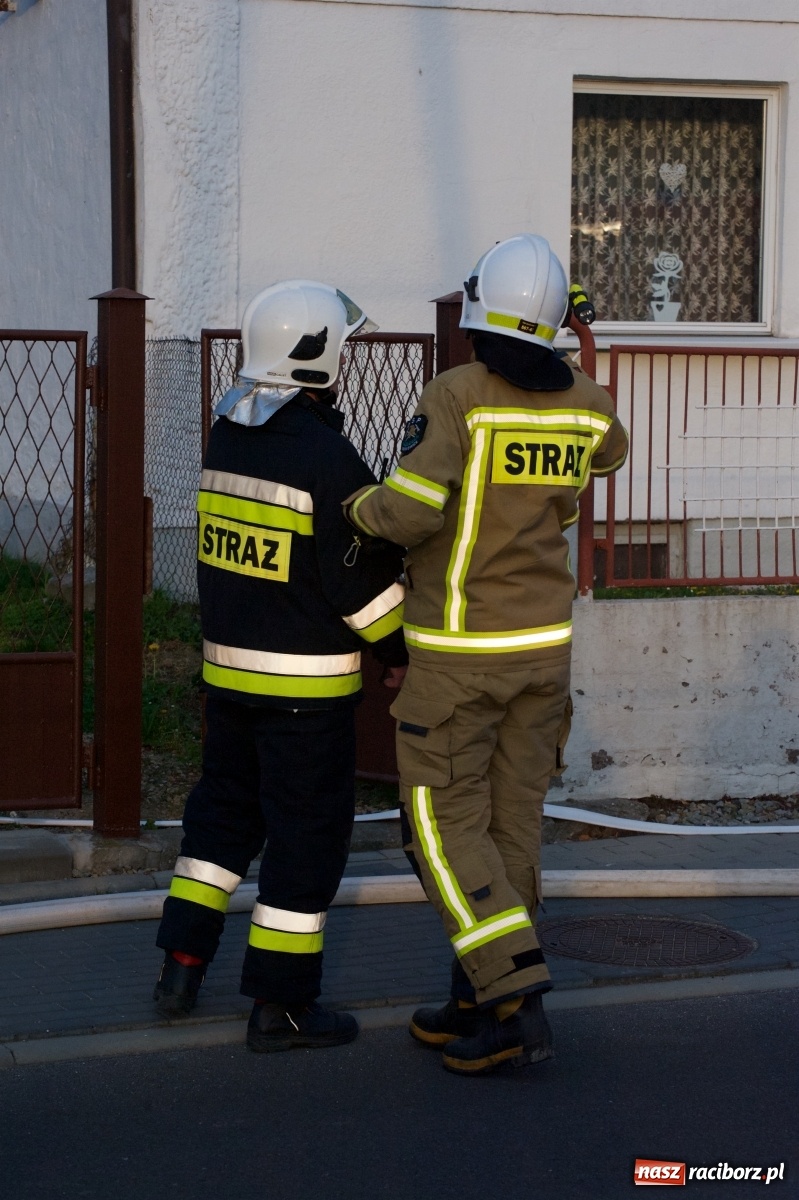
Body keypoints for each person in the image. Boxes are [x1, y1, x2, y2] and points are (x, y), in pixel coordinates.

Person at [344, 234, 628, 1075]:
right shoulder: (585, 400)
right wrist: (578, 348)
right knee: (511, 829)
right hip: (544, 658)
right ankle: (476, 995)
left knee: (439, 826)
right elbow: (607, 445)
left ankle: (515, 1001)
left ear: (475, 318)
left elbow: (410, 512)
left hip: (459, 656)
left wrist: (354, 509)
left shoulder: (457, 395)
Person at [154, 280, 407, 1053]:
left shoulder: (226, 435)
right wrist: (399, 651)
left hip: (228, 683)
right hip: (305, 696)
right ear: (317, 355)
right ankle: (282, 1006)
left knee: (219, 822)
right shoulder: (328, 459)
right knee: (304, 844)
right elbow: (359, 591)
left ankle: (181, 967)